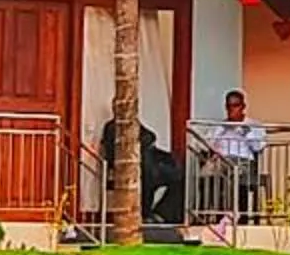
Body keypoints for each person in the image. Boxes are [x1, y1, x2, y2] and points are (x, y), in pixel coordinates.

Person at [99, 117, 185, 225]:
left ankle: (163, 213)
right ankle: (144, 213)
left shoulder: (134, 122)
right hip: (131, 166)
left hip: (148, 163)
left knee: (180, 175)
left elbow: (150, 136)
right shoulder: (112, 127)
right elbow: (113, 152)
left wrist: (140, 143)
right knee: (146, 173)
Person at [198, 90, 268, 218]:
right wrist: (216, 140)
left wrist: (246, 132)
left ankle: (237, 217)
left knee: (233, 177)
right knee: (204, 175)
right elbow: (205, 143)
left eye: (235, 105)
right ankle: (206, 215)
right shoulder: (220, 126)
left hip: (243, 162)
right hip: (221, 160)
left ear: (243, 106)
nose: (232, 109)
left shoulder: (253, 125)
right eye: (229, 106)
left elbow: (259, 147)